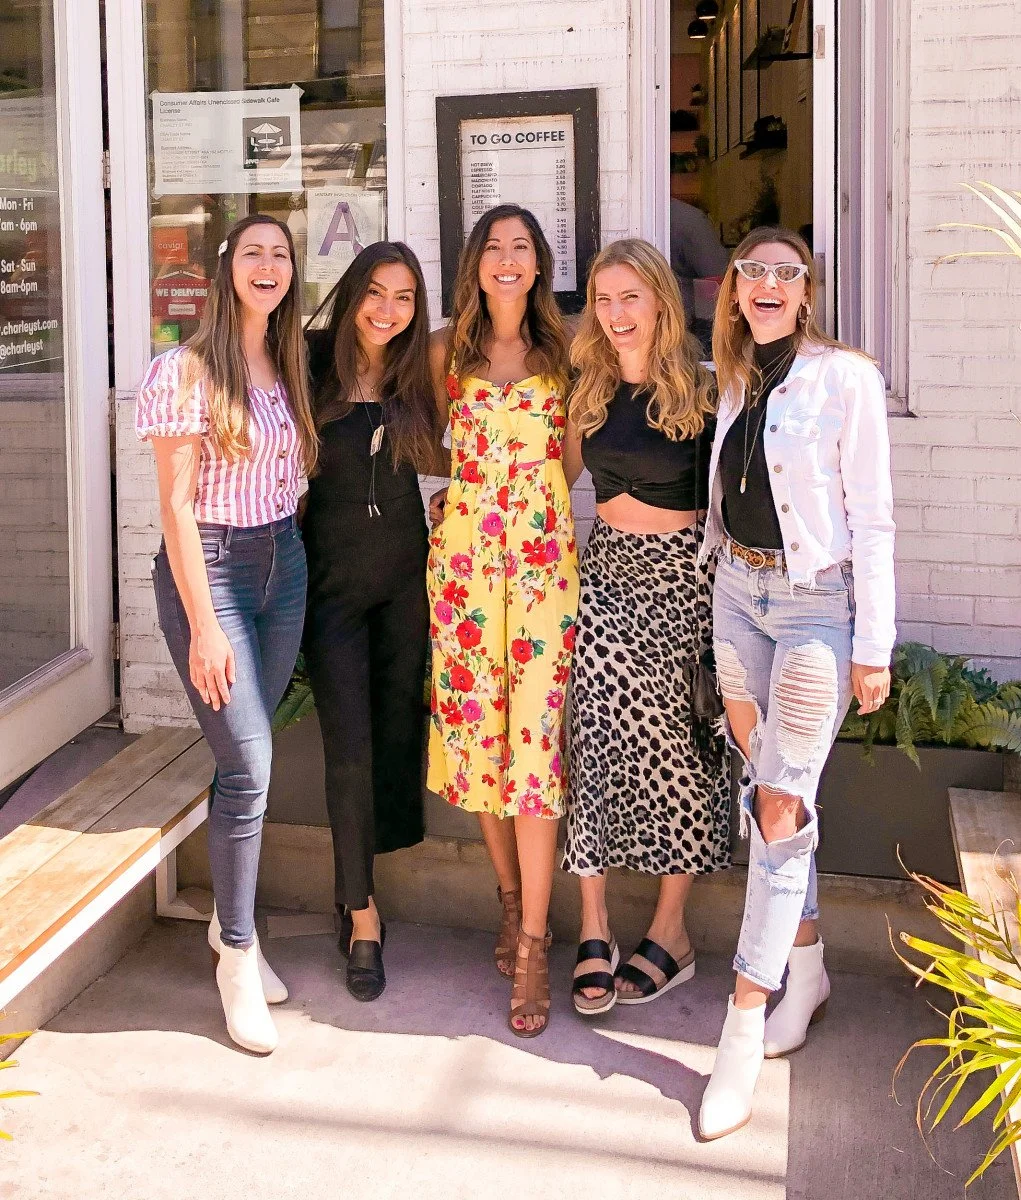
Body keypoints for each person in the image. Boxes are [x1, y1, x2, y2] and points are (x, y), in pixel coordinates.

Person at [697, 227, 895, 1139]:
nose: (768, 285)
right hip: (735, 594)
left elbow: (873, 520)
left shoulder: (843, 376)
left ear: (806, 291)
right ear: (734, 288)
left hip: (815, 608)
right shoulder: (732, 375)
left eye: (785, 273)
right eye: (753, 272)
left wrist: (873, 647)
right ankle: (806, 964)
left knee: (779, 807)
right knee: (766, 786)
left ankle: (742, 1022)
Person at [136, 214, 318, 1054]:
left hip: (283, 565)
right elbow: (174, 508)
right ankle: (237, 955)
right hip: (209, 574)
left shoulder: (287, 364)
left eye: (281, 254)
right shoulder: (182, 370)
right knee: (248, 763)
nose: (269, 265)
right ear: (226, 270)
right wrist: (205, 626)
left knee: (245, 758)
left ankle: (227, 924)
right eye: (253, 253)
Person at [560, 239, 731, 1017]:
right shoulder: (587, 389)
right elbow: (551, 476)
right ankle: (592, 925)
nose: (618, 314)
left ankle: (671, 933)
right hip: (606, 574)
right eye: (604, 299)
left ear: (661, 301)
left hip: (681, 583)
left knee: (679, 751)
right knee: (591, 738)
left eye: (631, 297)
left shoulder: (703, 389)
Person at [426, 203, 577, 1037]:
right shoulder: (447, 350)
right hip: (464, 575)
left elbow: (570, 464)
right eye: (494, 247)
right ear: (475, 264)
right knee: (479, 738)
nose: (507, 260)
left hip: (545, 568)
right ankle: (511, 899)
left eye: (521, 247)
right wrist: (463, 500)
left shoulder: (566, 351)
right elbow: (423, 438)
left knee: (535, 748)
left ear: (539, 263)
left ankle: (532, 942)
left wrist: (525, 509)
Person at [302, 242, 443, 1003]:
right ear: (352, 293)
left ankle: (352, 885)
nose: (388, 311)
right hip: (331, 592)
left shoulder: (416, 373)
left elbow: (467, 452)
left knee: (390, 740)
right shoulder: (308, 364)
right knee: (347, 752)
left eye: (404, 298)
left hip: (403, 588)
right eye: (376, 294)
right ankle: (362, 916)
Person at [669, 197, 729, 356]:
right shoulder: (690, 220)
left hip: (681, 330)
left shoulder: (683, 218)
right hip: (689, 330)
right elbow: (719, 278)